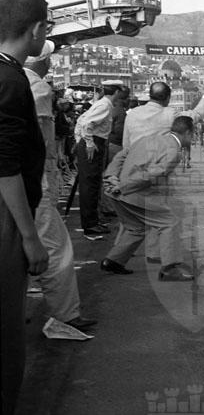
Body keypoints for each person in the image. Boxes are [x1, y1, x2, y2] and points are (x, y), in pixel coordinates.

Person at [0, 0, 50, 415]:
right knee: (7, 334)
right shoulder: (11, 81)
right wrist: (31, 238)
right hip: (5, 220)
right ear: (35, 29)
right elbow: (5, 166)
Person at [24, 42, 96, 332]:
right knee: (56, 249)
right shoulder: (37, 87)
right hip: (34, 181)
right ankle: (65, 315)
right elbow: (41, 144)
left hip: (17, 181)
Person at [101, 116, 195, 281]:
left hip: (116, 190)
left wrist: (111, 176)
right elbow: (152, 174)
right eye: (193, 135)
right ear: (187, 133)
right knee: (169, 223)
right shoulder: (174, 152)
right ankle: (169, 269)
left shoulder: (148, 139)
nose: (192, 139)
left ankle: (113, 261)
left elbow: (122, 155)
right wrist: (123, 186)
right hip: (131, 192)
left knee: (136, 228)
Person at [74, 80, 123, 236]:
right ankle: (90, 223)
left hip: (94, 141)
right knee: (90, 184)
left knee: (93, 183)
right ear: (116, 92)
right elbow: (86, 123)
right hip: (94, 142)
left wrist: (80, 140)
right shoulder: (104, 105)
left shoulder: (102, 104)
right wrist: (88, 142)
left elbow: (81, 120)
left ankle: (93, 220)